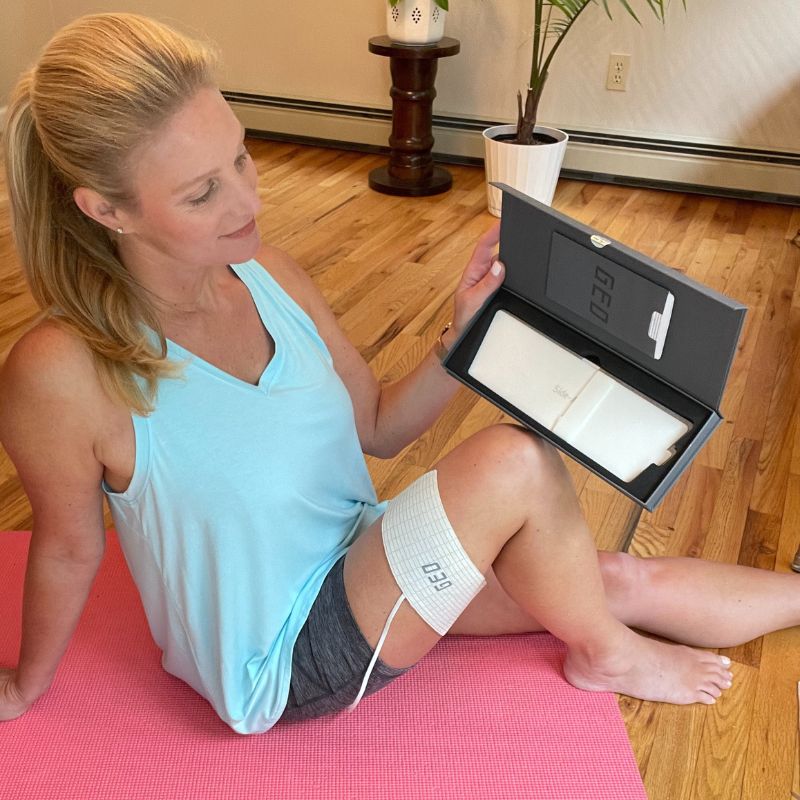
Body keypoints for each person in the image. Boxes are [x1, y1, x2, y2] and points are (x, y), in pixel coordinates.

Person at [0, 12, 798, 735]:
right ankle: (611, 658)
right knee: (513, 462)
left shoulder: (267, 273)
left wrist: (467, 328)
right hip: (281, 660)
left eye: (241, 156)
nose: (249, 197)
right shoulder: (61, 371)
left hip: (365, 558)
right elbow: (69, 549)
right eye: (203, 191)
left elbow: (377, 427)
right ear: (107, 210)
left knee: (611, 580)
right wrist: (24, 687)